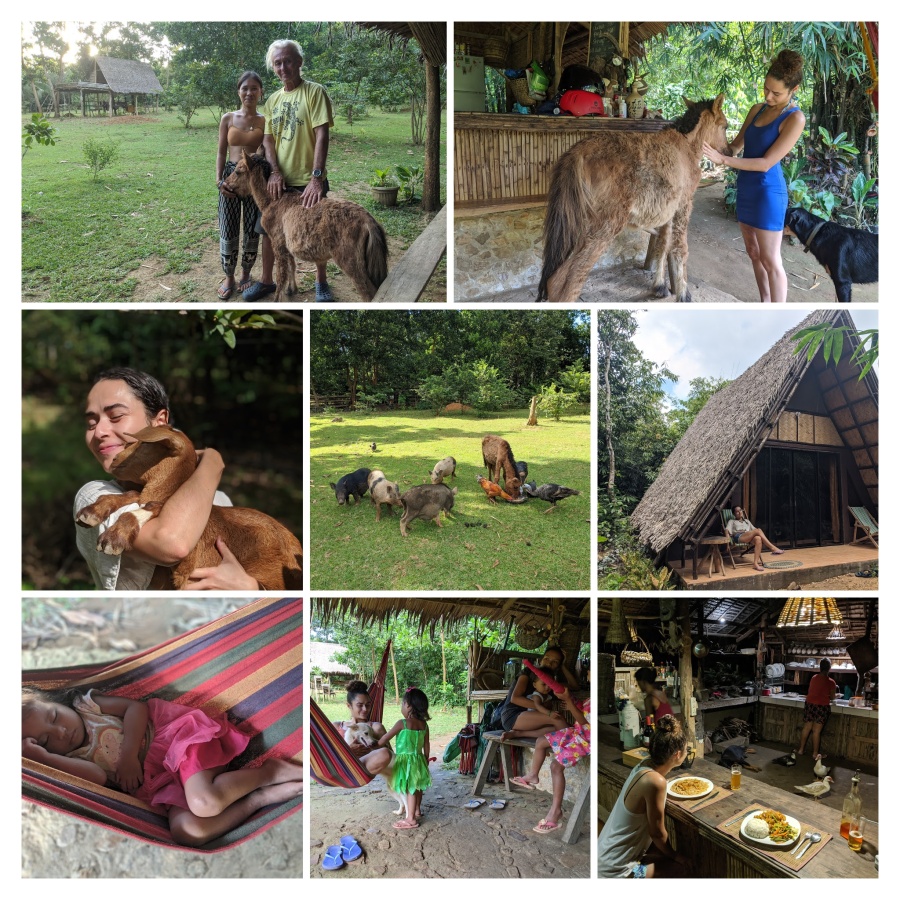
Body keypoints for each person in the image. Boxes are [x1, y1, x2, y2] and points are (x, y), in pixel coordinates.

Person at [22, 684, 303, 847]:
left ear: (54, 701)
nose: (61, 732)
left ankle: (270, 772)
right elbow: (95, 777)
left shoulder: (87, 706)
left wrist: (129, 755)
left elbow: (136, 708)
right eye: (47, 740)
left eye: (55, 716)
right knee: (189, 832)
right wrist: (45, 760)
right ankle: (258, 799)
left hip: (179, 743)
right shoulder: (67, 762)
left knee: (204, 802)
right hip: (164, 783)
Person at [75, 367, 258, 591]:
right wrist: (213, 462)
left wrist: (252, 588)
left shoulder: (218, 499)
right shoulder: (96, 497)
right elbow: (172, 544)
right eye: (91, 423)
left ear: (160, 422)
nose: (99, 431)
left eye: (116, 416)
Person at [702, 50, 806, 303]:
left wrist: (723, 160)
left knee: (771, 260)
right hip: (746, 190)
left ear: (794, 89)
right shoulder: (757, 110)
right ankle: (765, 303)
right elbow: (735, 147)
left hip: (768, 192)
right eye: (766, 89)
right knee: (753, 252)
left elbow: (766, 163)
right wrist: (706, 138)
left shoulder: (795, 119)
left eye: (776, 93)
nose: (769, 96)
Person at [243, 39, 335, 302]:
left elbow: (322, 135)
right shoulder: (272, 100)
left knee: (315, 231)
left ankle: (321, 283)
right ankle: (268, 281)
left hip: (308, 181)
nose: (283, 67)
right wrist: (273, 171)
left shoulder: (314, 92)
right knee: (269, 233)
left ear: (299, 63)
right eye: (278, 63)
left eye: (287, 61)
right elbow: (269, 140)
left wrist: (316, 178)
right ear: (274, 68)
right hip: (279, 183)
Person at [597, 715, 692, 878]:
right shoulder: (655, 782)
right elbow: (657, 833)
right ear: (677, 754)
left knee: (658, 853)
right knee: (679, 868)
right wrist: (676, 856)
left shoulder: (644, 765)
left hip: (604, 856)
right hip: (616, 872)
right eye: (686, 750)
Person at [511, 687, 590, 835]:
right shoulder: (589, 699)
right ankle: (533, 775)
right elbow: (582, 713)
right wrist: (572, 701)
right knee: (541, 741)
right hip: (576, 733)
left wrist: (568, 701)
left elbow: (584, 721)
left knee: (555, 766)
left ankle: (556, 812)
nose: (588, 674)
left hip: (585, 740)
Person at [216, 71, 266, 299]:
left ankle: (246, 273)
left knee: (252, 228)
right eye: (245, 88)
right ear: (238, 91)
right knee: (228, 226)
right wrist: (219, 181)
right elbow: (220, 151)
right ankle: (229, 276)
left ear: (261, 92)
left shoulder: (265, 120)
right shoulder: (228, 118)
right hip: (232, 175)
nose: (249, 92)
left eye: (254, 88)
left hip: (255, 178)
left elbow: (266, 149)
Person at [377, 688, 432, 830]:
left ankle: (411, 819)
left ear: (408, 705)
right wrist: (425, 760)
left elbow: (385, 738)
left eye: (402, 704)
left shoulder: (402, 723)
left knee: (410, 788)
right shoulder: (424, 725)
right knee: (418, 786)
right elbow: (426, 744)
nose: (402, 707)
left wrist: (375, 744)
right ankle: (417, 810)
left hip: (405, 762)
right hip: (419, 759)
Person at [332, 681, 392, 777]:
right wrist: (348, 751)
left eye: (368, 705)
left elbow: (390, 755)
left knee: (385, 753)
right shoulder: (337, 726)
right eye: (360, 705)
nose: (365, 709)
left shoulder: (375, 727)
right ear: (349, 705)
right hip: (341, 767)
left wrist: (373, 746)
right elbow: (326, 754)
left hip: (364, 768)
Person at [499, 662, 568, 740]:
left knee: (559, 727)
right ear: (534, 684)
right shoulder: (536, 694)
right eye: (544, 684)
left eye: (550, 684)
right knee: (558, 719)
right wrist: (547, 711)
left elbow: (574, 686)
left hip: (527, 719)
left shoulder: (546, 693)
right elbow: (516, 699)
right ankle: (571, 746)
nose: (547, 687)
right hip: (512, 717)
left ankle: (518, 733)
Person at [793, 658, 838, 761]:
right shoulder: (831, 682)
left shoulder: (814, 678)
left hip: (810, 704)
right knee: (816, 731)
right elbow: (832, 697)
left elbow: (812, 691)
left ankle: (801, 750)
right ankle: (815, 754)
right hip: (821, 706)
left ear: (820, 667)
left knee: (807, 728)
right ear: (829, 669)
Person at [726, 505, 785, 572]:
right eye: (737, 511)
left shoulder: (747, 521)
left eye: (740, 510)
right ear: (734, 514)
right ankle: (772, 548)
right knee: (758, 530)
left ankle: (755, 564)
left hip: (748, 536)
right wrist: (727, 543)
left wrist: (755, 533)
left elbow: (754, 530)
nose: (740, 512)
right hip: (739, 536)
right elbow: (727, 531)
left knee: (758, 538)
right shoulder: (731, 521)